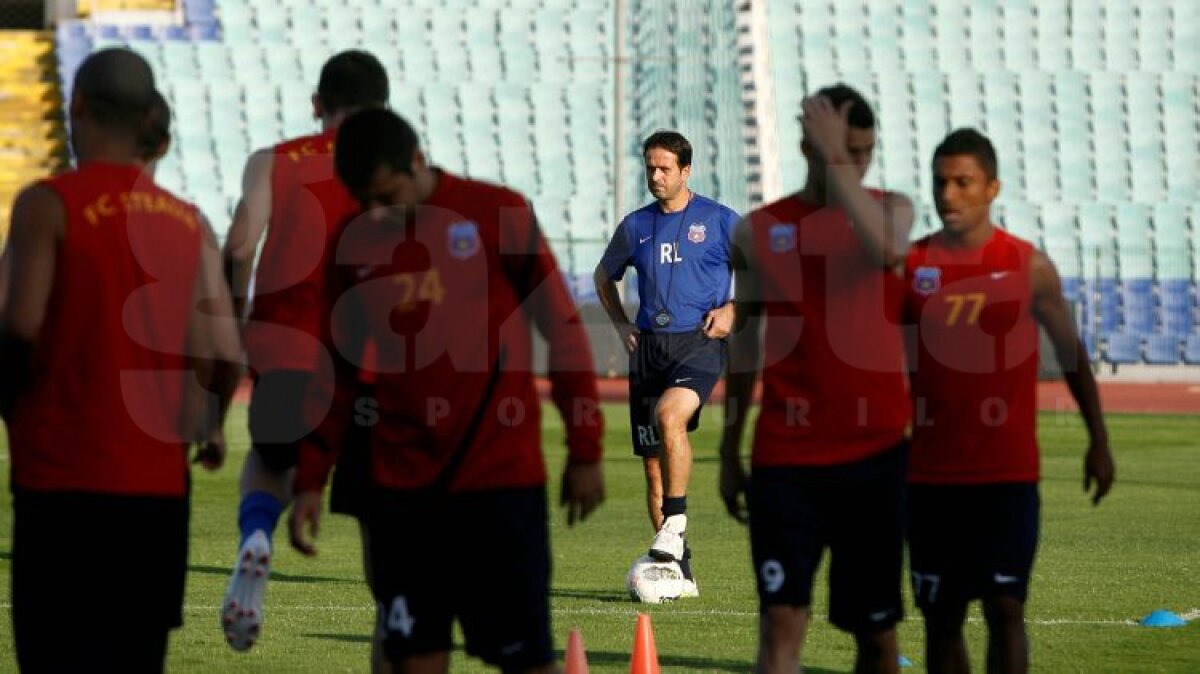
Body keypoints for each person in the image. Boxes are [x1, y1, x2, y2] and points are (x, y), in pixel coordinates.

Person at [288, 108, 605, 673]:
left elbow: (561, 329)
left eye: (387, 195)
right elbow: (332, 370)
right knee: (414, 662)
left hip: (498, 484)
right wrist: (310, 478)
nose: (377, 213)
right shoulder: (351, 243)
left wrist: (585, 448)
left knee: (527, 661)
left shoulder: (496, 212)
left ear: (416, 160)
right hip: (403, 495)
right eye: (365, 201)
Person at [0, 48, 240, 672]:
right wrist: (208, 424)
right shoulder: (191, 223)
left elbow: (19, 328)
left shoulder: (47, 205)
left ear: (77, 107)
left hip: (60, 484)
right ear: (145, 119)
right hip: (156, 496)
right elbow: (223, 353)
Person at [903, 128, 1115, 674]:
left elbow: (1072, 355)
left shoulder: (1028, 266)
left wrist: (1099, 440)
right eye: (940, 182)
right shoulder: (911, 267)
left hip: (1006, 477)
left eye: (963, 182)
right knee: (942, 616)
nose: (948, 194)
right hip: (930, 478)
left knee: (1006, 608)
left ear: (992, 187)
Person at [718, 84, 914, 673]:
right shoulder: (757, 230)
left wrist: (839, 164)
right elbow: (745, 344)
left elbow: (885, 250)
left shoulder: (892, 209)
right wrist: (730, 452)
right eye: (844, 150)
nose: (857, 162)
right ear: (808, 144)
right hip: (787, 463)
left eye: (865, 151)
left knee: (876, 635)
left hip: (875, 458)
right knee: (780, 625)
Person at [218, 49, 389, 652]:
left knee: (269, 465)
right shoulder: (397, 167)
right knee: (381, 522)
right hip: (371, 364)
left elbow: (239, 246)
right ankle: (393, 621)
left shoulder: (274, 161)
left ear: (318, 105)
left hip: (286, 348)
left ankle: (257, 534)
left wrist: (236, 324)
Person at [594, 130, 738, 594]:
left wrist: (734, 310)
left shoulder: (718, 220)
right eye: (650, 168)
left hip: (697, 343)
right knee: (653, 469)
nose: (655, 176)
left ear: (686, 171)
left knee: (669, 414)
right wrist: (620, 324)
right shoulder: (636, 225)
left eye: (665, 168)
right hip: (649, 349)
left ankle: (675, 523)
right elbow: (603, 275)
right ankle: (682, 570)